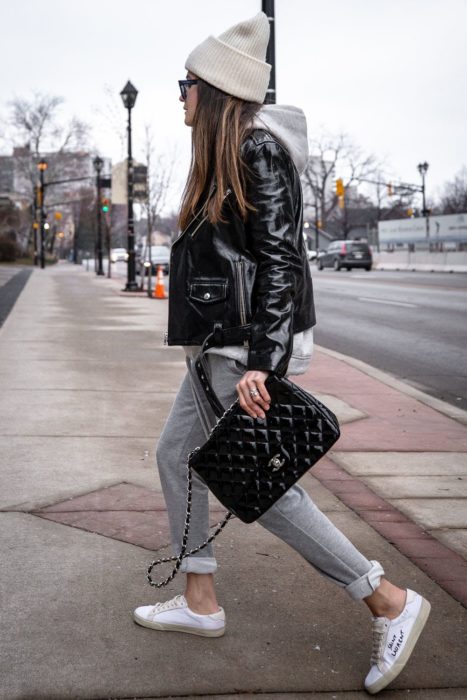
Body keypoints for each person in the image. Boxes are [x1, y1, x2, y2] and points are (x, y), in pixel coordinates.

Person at [133, 12, 430, 695]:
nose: (179, 95)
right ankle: (200, 600)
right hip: (225, 342)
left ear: (210, 89)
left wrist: (262, 360)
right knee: (177, 456)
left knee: (257, 485)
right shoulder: (228, 152)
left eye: (186, 83)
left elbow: (278, 259)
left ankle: (385, 599)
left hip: (245, 350)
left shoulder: (253, 150)